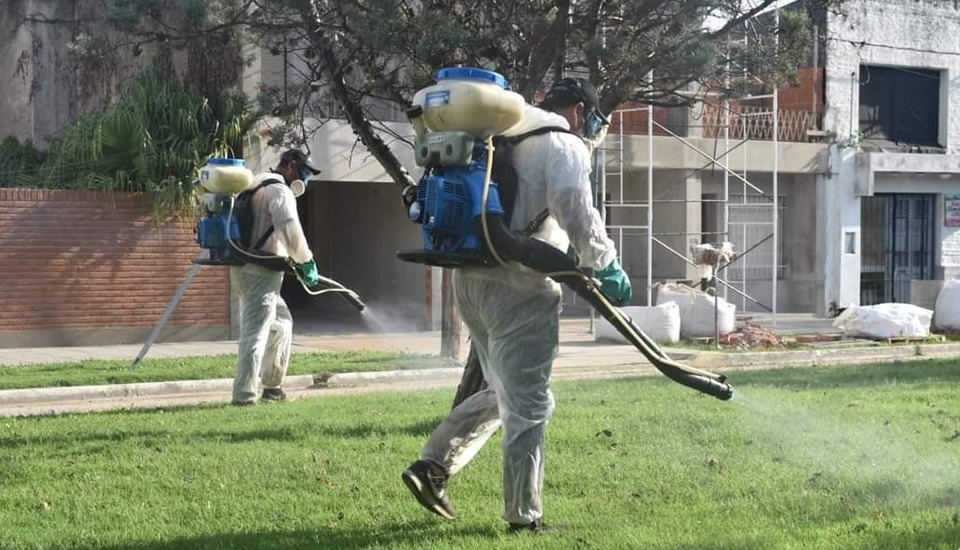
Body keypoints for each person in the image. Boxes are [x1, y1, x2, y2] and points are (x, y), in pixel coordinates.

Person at [401, 78, 632, 531]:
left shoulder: (496, 134)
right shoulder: (562, 142)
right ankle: (525, 519)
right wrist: (604, 264)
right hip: (520, 288)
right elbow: (576, 210)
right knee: (530, 405)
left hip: (471, 282)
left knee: (503, 391)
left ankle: (431, 467)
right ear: (582, 112)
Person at [230, 149, 322, 406]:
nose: (306, 180)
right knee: (255, 333)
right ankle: (244, 396)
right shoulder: (280, 191)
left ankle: (272, 387)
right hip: (261, 271)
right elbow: (291, 231)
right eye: (305, 172)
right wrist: (307, 261)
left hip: (245, 269)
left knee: (282, 323)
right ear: (291, 166)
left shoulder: (255, 183)